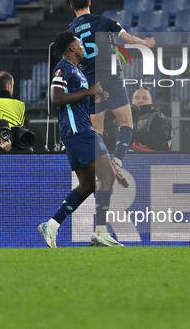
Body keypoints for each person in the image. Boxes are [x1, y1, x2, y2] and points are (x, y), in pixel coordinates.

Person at [38, 31, 122, 248]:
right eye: (79, 43)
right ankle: (100, 233)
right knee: (108, 177)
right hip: (79, 132)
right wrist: (87, 93)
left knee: (87, 185)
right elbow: (56, 97)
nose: (83, 46)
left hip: (77, 131)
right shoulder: (63, 68)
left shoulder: (77, 70)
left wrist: (94, 97)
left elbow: (77, 104)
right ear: (72, 48)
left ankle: (52, 225)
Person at [67, 0, 155, 188]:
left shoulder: (70, 31)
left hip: (91, 81)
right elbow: (129, 39)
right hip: (112, 76)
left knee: (96, 130)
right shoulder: (103, 21)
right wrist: (145, 43)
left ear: (72, 7)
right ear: (89, 2)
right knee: (126, 124)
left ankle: (102, 167)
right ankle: (118, 160)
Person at [104, 88, 172, 151]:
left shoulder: (158, 117)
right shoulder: (122, 116)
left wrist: (131, 130)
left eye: (144, 98)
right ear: (131, 100)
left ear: (151, 101)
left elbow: (159, 142)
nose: (140, 101)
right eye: (137, 98)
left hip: (151, 159)